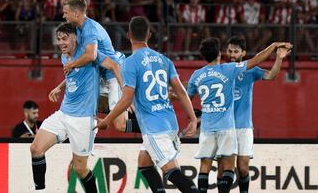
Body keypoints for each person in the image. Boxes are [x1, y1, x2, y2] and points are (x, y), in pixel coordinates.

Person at [95, 16, 199, 193]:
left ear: (128, 35)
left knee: (171, 171)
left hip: (153, 128)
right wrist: (193, 119)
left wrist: (107, 120)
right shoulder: (165, 60)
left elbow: (127, 99)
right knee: (144, 163)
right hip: (169, 121)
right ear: (149, 35)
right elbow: (181, 91)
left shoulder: (129, 63)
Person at [187, 37, 291, 193]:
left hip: (242, 126)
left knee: (242, 167)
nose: (232, 54)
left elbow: (271, 75)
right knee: (222, 168)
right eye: (229, 50)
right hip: (225, 126)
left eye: (236, 51)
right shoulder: (225, 70)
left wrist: (279, 58)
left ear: (243, 52)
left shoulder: (249, 70)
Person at [29, 22, 99, 192]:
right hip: (64, 113)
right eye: (58, 39)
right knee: (36, 148)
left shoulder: (88, 54)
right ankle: (40, 190)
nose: (60, 42)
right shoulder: (64, 56)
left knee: (80, 169)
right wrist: (59, 87)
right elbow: (72, 74)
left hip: (83, 119)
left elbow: (107, 63)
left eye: (64, 39)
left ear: (75, 38)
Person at [60, 0, 141, 134]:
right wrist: (60, 87)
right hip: (104, 74)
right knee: (83, 98)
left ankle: (157, 128)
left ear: (76, 13)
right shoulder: (79, 29)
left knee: (120, 125)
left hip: (114, 74)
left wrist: (126, 94)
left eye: (66, 12)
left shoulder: (89, 30)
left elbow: (91, 55)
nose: (63, 16)